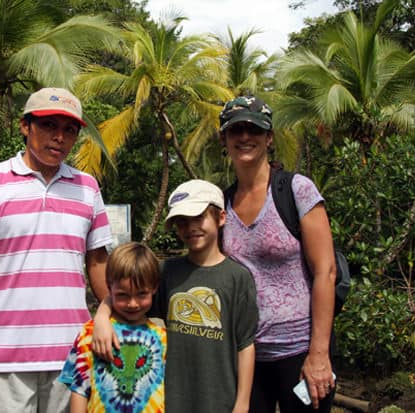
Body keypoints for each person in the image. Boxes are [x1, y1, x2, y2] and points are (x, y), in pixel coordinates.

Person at [0, 87, 112, 413]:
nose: (59, 138)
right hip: (2, 357)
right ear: (26, 127)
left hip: (73, 352)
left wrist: (116, 317)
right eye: (49, 125)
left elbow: (98, 262)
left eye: (69, 130)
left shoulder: (87, 188)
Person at [93, 179, 259, 413]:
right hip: (170, 399)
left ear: (221, 217)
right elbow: (125, 297)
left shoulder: (238, 278)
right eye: (182, 222)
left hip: (221, 398)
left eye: (198, 217)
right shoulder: (167, 272)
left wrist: (242, 403)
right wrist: (101, 317)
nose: (190, 227)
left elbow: (246, 345)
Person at [218, 95, 337, 412]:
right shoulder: (222, 205)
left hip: (300, 354)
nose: (245, 137)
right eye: (236, 130)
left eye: (254, 129)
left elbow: (326, 271)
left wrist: (319, 354)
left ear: (269, 138)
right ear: (224, 139)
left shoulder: (296, 190)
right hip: (248, 357)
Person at [58, 242, 167, 413]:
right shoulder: (90, 333)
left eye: (141, 294)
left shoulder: (163, 339)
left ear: (154, 288)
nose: (133, 303)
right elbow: (79, 389)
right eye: (123, 295)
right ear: (109, 287)